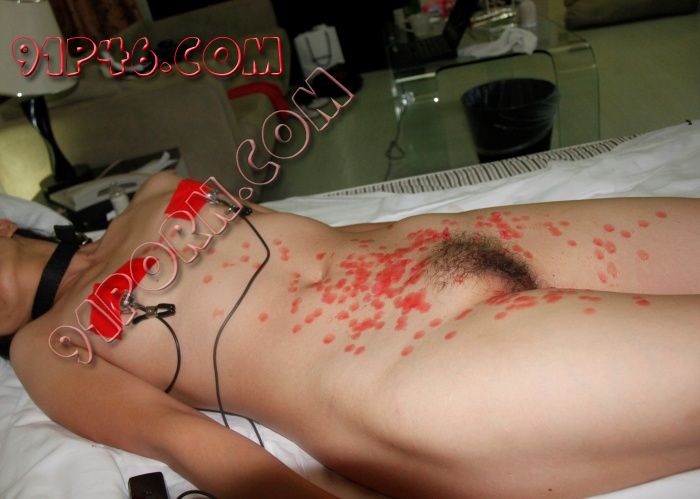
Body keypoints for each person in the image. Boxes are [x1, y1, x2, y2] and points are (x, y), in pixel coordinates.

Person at [3, 170, 700, 498]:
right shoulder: (45, 348)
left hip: (460, 242)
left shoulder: (156, 190)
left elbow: (311, 239)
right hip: (415, 367)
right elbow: (182, 440)